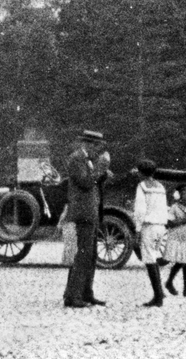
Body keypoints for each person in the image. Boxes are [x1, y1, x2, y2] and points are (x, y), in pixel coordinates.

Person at [62, 129, 111, 308]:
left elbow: (93, 182)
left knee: (90, 255)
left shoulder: (87, 160)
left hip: (91, 212)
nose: (98, 151)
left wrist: (102, 173)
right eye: (97, 146)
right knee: (83, 254)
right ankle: (72, 296)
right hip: (83, 213)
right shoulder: (76, 159)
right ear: (87, 144)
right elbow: (85, 182)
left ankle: (85, 292)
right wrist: (100, 168)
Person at [133, 159, 170, 307]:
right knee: (154, 257)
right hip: (161, 226)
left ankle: (158, 296)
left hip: (149, 226)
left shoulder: (142, 186)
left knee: (149, 260)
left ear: (141, 173)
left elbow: (140, 210)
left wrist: (137, 228)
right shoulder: (160, 186)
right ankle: (159, 292)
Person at [162, 181, 186, 297]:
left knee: (184, 262)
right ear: (179, 195)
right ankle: (182, 288)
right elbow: (168, 223)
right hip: (175, 238)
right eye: (185, 193)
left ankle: (179, 286)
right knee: (183, 262)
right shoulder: (175, 207)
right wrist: (184, 220)